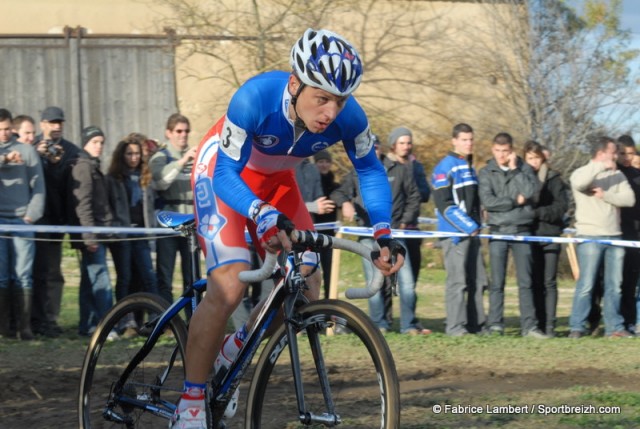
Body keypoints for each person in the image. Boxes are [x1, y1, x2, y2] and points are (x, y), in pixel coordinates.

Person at [173, 28, 406, 428]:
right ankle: (191, 398)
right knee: (230, 285)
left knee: (306, 288)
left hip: (277, 184)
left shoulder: (349, 118)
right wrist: (259, 212)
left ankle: (238, 342)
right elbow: (226, 172)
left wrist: (383, 231)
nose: (331, 112)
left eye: (340, 100)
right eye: (322, 98)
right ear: (295, 84)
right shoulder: (255, 97)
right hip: (223, 176)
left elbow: (369, 170)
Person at [331, 134, 426, 336]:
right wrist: (345, 203)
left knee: (407, 282)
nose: (373, 151)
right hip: (367, 235)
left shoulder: (400, 169)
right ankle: (378, 323)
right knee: (374, 282)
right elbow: (338, 193)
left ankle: (408, 325)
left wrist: (402, 221)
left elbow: (414, 197)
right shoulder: (356, 172)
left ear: (381, 149)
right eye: (369, 148)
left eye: (376, 147)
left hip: (395, 235)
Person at [478, 132, 547, 338]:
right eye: (498, 151)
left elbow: (531, 192)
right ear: (492, 149)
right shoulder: (486, 172)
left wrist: (516, 170)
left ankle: (529, 327)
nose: (501, 155)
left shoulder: (523, 168)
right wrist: (514, 202)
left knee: (525, 283)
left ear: (512, 151)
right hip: (498, 231)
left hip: (522, 231)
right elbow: (489, 202)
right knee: (497, 283)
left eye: (505, 151)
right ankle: (495, 325)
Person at [568, 136, 635, 338]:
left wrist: (605, 195)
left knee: (615, 285)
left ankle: (615, 327)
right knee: (587, 284)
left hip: (614, 236)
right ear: (601, 153)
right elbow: (580, 184)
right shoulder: (581, 172)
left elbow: (629, 199)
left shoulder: (618, 176)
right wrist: (599, 167)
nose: (616, 155)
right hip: (590, 235)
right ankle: (577, 326)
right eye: (613, 152)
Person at [432, 123, 486, 336]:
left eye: (471, 139)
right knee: (458, 282)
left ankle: (477, 325)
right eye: (464, 140)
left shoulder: (469, 166)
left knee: (478, 281)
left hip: (473, 233)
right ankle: (455, 327)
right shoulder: (444, 167)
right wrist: (469, 226)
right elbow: (445, 206)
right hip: (455, 235)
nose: (468, 143)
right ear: (454, 140)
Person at [31, 106, 81, 337]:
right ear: (42, 124)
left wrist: (57, 164)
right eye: (52, 122)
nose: (56, 126)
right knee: (28, 274)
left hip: (56, 220)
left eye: (59, 122)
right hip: (30, 220)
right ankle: (26, 320)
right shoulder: (31, 147)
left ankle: (49, 320)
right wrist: (37, 155)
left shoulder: (71, 151)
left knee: (51, 273)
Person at [0, 108, 45, 340]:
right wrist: (4, 159)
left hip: (22, 220)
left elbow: (38, 186)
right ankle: (4, 327)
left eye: (7, 129)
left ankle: (24, 326)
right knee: (2, 275)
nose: (4, 133)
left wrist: (31, 215)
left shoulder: (27, 152)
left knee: (23, 274)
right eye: (0, 130)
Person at [68, 126, 114, 337]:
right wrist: (89, 236)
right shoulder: (83, 166)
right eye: (94, 142)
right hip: (91, 234)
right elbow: (82, 205)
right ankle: (107, 326)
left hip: (97, 232)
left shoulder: (92, 165)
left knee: (89, 281)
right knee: (100, 279)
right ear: (85, 143)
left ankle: (86, 325)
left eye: (101, 142)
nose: (99, 146)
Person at [523, 140, 569, 337]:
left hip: (550, 234)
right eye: (530, 158)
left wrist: (538, 212)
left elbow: (560, 207)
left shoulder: (554, 179)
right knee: (533, 281)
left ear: (543, 158)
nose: (534, 162)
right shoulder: (521, 178)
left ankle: (549, 325)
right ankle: (536, 323)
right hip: (529, 235)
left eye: (537, 158)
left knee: (549, 282)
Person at [106, 134, 159, 306]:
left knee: (148, 276)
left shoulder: (145, 177)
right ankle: (123, 320)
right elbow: (110, 206)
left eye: (137, 153)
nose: (134, 157)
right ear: (122, 156)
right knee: (125, 278)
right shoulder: (113, 178)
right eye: (129, 154)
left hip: (142, 234)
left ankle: (156, 317)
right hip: (123, 235)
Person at [149, 114, 196, 305]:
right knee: (165, 275)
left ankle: (193, 320)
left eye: (186, 131)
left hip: (191, 222)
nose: (183, 135)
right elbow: (160, 182)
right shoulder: (160, 157)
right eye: (178, 131)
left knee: (191, 276)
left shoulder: (196, 156)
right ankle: (164, 320)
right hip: (168, 222)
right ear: (168, 133)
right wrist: (182, 161)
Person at [615, 136, 640, 332]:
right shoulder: (611, 174)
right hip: (614, 233)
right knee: (613, 282)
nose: (626, 157)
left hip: (634, 235)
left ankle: (629, 320)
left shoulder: (637, 175)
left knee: (631, 281)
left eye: (630, 153)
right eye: (622, 153)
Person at [313, 150, 340, 298]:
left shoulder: (336, 186)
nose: (324, 165)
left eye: (327, 162)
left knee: (330, 270)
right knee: (311, 271)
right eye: (320, 162)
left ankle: (329, 299)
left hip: (329, 236)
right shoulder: (310, 184)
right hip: (312, 233)